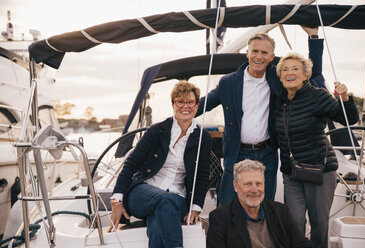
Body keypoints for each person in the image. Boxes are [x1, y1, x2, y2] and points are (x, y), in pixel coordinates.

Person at [196, 27, 324, 204]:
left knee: (264, 205)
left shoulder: (278, 79)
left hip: (267, 153)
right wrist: (177, 113)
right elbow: (201, 105)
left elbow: (312, 73)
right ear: (247, 53)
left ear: (271, 57)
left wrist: (313, 36)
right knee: (228, 205)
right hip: (237, 153)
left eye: (264, 52)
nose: (259, 56)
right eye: (255, 51)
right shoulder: (229, 82)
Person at [108, 80, 212, 248]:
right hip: (142, 192)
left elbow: (202, 176)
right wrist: (117, 200)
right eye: (180, 101)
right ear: (173, 104)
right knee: (164, 201)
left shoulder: (203, 138)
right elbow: (131, 164)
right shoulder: (156, 131)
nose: (185, 106)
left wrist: (196, 207)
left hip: (178, 197)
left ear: (197, 105)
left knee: (158, 221)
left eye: (190, 102)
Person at [273, 53, 359, 248]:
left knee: (319, 225)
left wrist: (345, 97)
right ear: (279, 77)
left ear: (305, 75)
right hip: (291, 171)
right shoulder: (279, 100)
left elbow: (348, 119)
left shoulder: (318, 96)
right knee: (294, 223)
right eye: (285, 70)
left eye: (295, 69)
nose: (289, 73)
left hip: (319, 169)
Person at [207, 159, 313, 248]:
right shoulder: (220, 218)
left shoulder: (281, 212)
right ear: (235, 186)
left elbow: (303, 245)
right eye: (248, 184)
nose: (254, 190)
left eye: (259, 184)